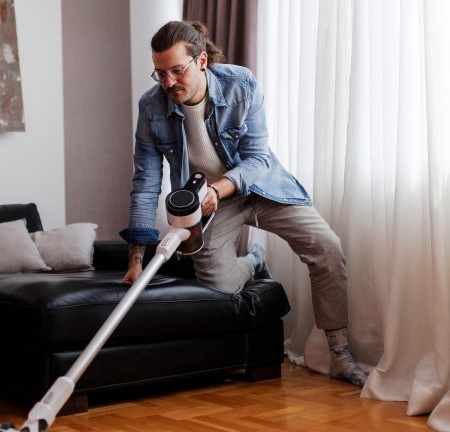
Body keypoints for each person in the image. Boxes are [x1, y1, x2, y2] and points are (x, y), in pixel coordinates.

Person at [119, 21, 367, 387]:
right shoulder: (152, 108)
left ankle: (340, 354)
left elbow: (258, 158)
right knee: (220, 290)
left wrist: (219, 189)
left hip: (262, 188)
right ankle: (255, 261)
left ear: (201, 61)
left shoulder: (241, 84)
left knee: (327, 247)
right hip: (212, 205)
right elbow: (145, 184)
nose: (169, 82)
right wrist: (136, 260)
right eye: (160, 73)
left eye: (177, 70)